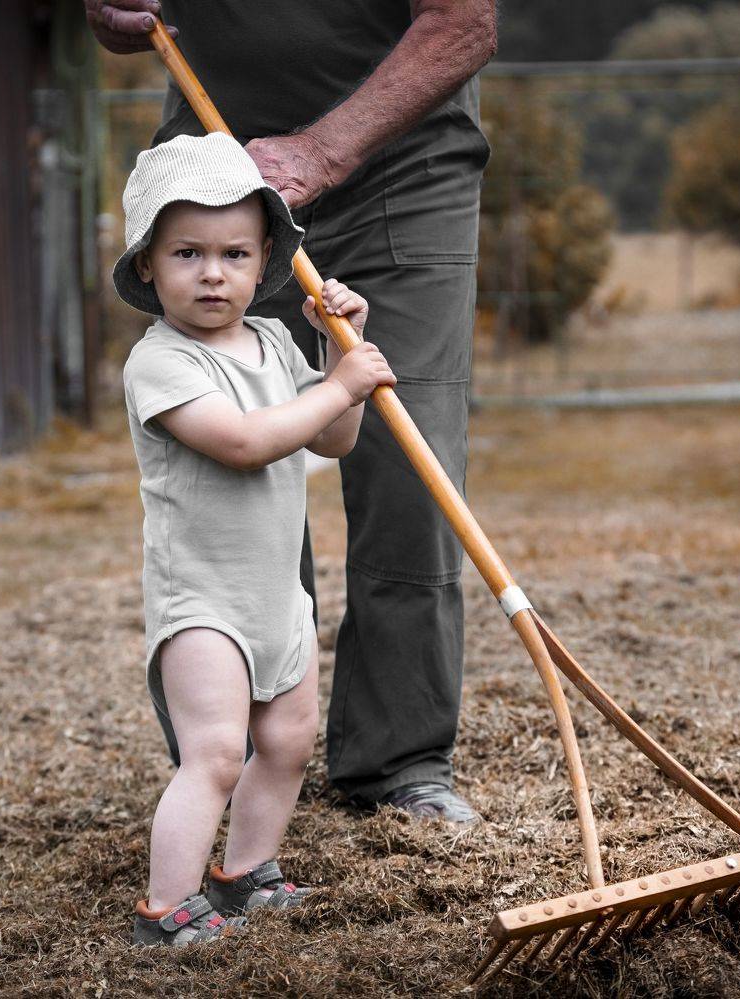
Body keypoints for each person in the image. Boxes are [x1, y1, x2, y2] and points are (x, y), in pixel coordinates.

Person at [88, 0, 497, 825]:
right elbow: (245, 443)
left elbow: (464, 23)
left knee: (410, 468)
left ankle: (399, 762)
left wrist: (322, 151)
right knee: (228, 484)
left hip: (403, 169)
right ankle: (233, 754)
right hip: (216, 167)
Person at [117, 133, 397, 946]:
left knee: (286, 741)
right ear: (148, 265)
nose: (213, 272)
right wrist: (342, 385)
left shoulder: (274, 341)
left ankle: (245, 873)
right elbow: (244, 442)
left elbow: (333, 439)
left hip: (278, 594)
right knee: (213, 753)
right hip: (203, 601)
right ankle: (167, 908)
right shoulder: (160, 363)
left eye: (234, 253)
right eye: (187, 253)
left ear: (265, 258)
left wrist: (339, 350)